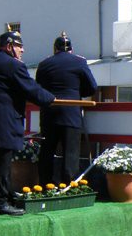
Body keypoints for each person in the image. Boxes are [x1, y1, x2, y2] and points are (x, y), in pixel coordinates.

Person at [0, 31, 55, 215]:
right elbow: (31, 89)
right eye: (20, 46)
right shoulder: (13, 65)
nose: (22, 50)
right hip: (5, 121)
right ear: (10, 46)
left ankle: (1, 197)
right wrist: (50, 98)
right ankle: (0, 203)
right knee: (2, 164)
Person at [35, 31, 98, 185]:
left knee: (47, 152)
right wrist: (76, 93)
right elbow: (92, 87)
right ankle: (69, 187)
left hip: (49, 113)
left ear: (54, 49)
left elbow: (38, 88)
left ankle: (45, 186)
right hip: (71, 112)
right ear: (71, 49)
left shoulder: (44, 64)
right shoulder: (79, 62)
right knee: (70, 153)